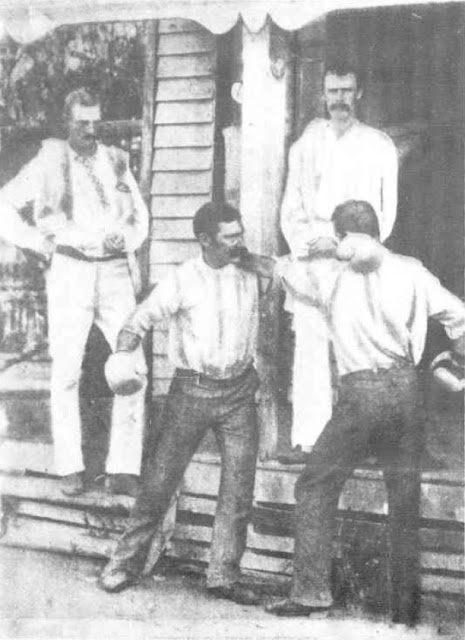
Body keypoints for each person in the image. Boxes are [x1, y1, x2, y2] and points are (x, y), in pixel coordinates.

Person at [266, 200, 465, 625]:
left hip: (361, 395)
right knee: (404, 497)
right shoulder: (412, 269)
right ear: (379, 233)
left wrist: (311, 251)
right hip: (406, 390)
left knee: (315, 485)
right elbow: (459, 316)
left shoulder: (330, 275)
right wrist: (457, 361)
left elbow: (282, 270)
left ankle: (311, 592)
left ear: (340, 237)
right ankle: (404, 611)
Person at [98, 202, 264, 606]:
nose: (239, 242)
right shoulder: (183, 279)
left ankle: (223, 575)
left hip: (240, 391)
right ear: (205, 240)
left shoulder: (253, 272)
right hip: (191, 391)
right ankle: (122, 564)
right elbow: (137, 321)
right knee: (159, 480)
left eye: (240, 233)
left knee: (239, 489)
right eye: (230, 237)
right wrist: (122, 357)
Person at [0, 88, 149, 496]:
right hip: (70, 271)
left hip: (114, 271)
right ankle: (69, 466)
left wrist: (128, 238)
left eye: (95, 121)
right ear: (67, 123)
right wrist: (39, 243)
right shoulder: (49, 159)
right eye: (81, 122)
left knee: (131, 366)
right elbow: (4, 205)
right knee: (67, 370)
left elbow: (141, 218)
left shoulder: (116, 160)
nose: (90, 129)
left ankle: (123, 468)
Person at [280, 63, 398, 463]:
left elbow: (387, 213)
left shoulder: (377, 144)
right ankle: (309, 441)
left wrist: (349, 245)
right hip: (314, 257)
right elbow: (291, 207)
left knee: (360, 349)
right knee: (311, 343)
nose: (339, 100)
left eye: (347, 90)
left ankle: (364, 442)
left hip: (356, 257)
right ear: (323, 93)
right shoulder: (306, 145)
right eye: (333, 91)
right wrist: (306, 244)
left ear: (359, 93)